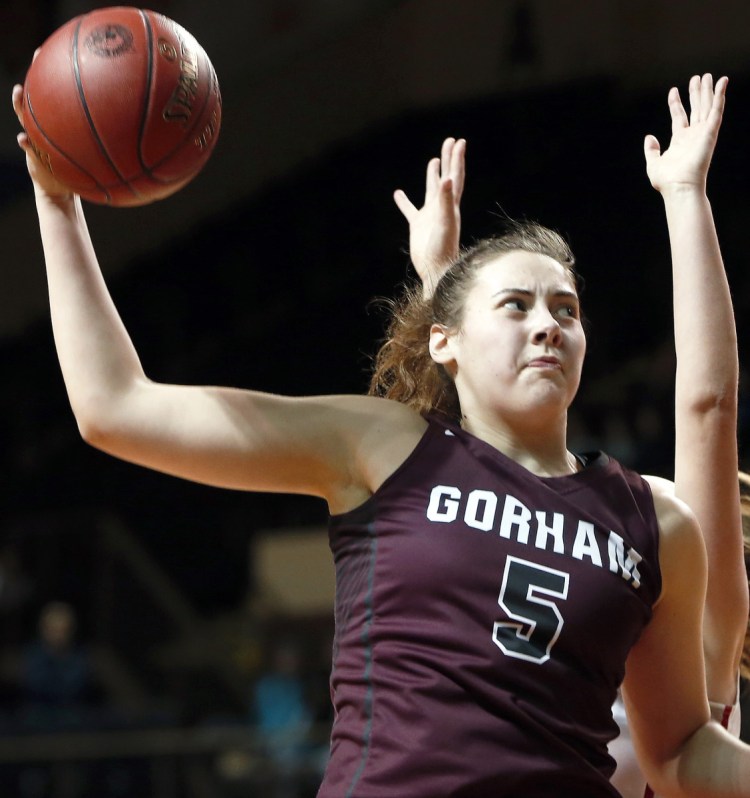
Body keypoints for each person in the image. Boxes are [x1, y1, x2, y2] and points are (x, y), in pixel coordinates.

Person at [12, 71, 750, 797]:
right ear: (444, 342)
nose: (548, 326)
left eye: (566, 310)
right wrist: (55, 202)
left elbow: (681, 757)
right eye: (517, 306)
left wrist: (686, 196)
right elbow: (116, 408)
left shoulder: (653, 522)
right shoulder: (387, 447)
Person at [391, 78, 750, 797]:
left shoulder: (701, 623)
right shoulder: (599, 587)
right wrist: (447, 287)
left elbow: (708, 406)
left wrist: (687, 196)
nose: (720, 522)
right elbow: (479, 472)